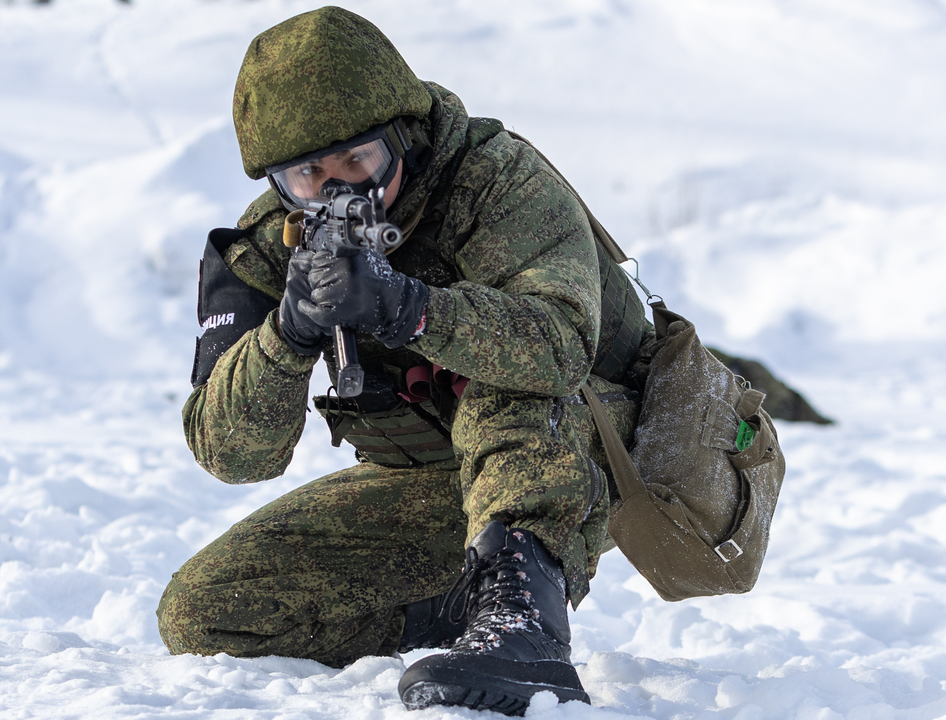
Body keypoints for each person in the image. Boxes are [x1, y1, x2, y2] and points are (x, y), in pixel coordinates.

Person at [156, 6, 655, 715]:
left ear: (405, 139)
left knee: (506, 378)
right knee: (207, 613)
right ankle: (472, 606)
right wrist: (288, 336)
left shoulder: (496, 182)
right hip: (452, 476)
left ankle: (525, 628)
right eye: (306, 176)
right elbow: (229, 451)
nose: (338, 192)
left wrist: (412, 309)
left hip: (604, 451)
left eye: (359, 161)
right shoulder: (265, 245)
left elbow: (559, 348)